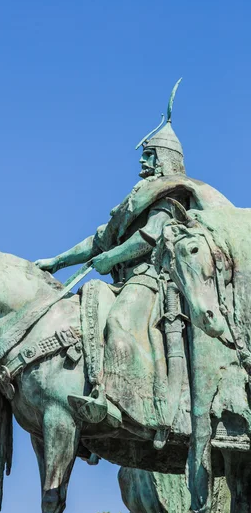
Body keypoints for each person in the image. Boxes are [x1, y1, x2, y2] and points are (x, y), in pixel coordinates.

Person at [36, 80, 188, 447]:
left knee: (120, 324)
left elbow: (150, 236)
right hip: (121, 279)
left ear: (163, 159)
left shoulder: (170, 195)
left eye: (149, 154)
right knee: (86, 319)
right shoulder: (133, 199)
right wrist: (57, 261)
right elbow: (98, 240)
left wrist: (113, 257)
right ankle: (96, 396)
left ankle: (144, 408)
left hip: (151, 279)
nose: (142, 160)